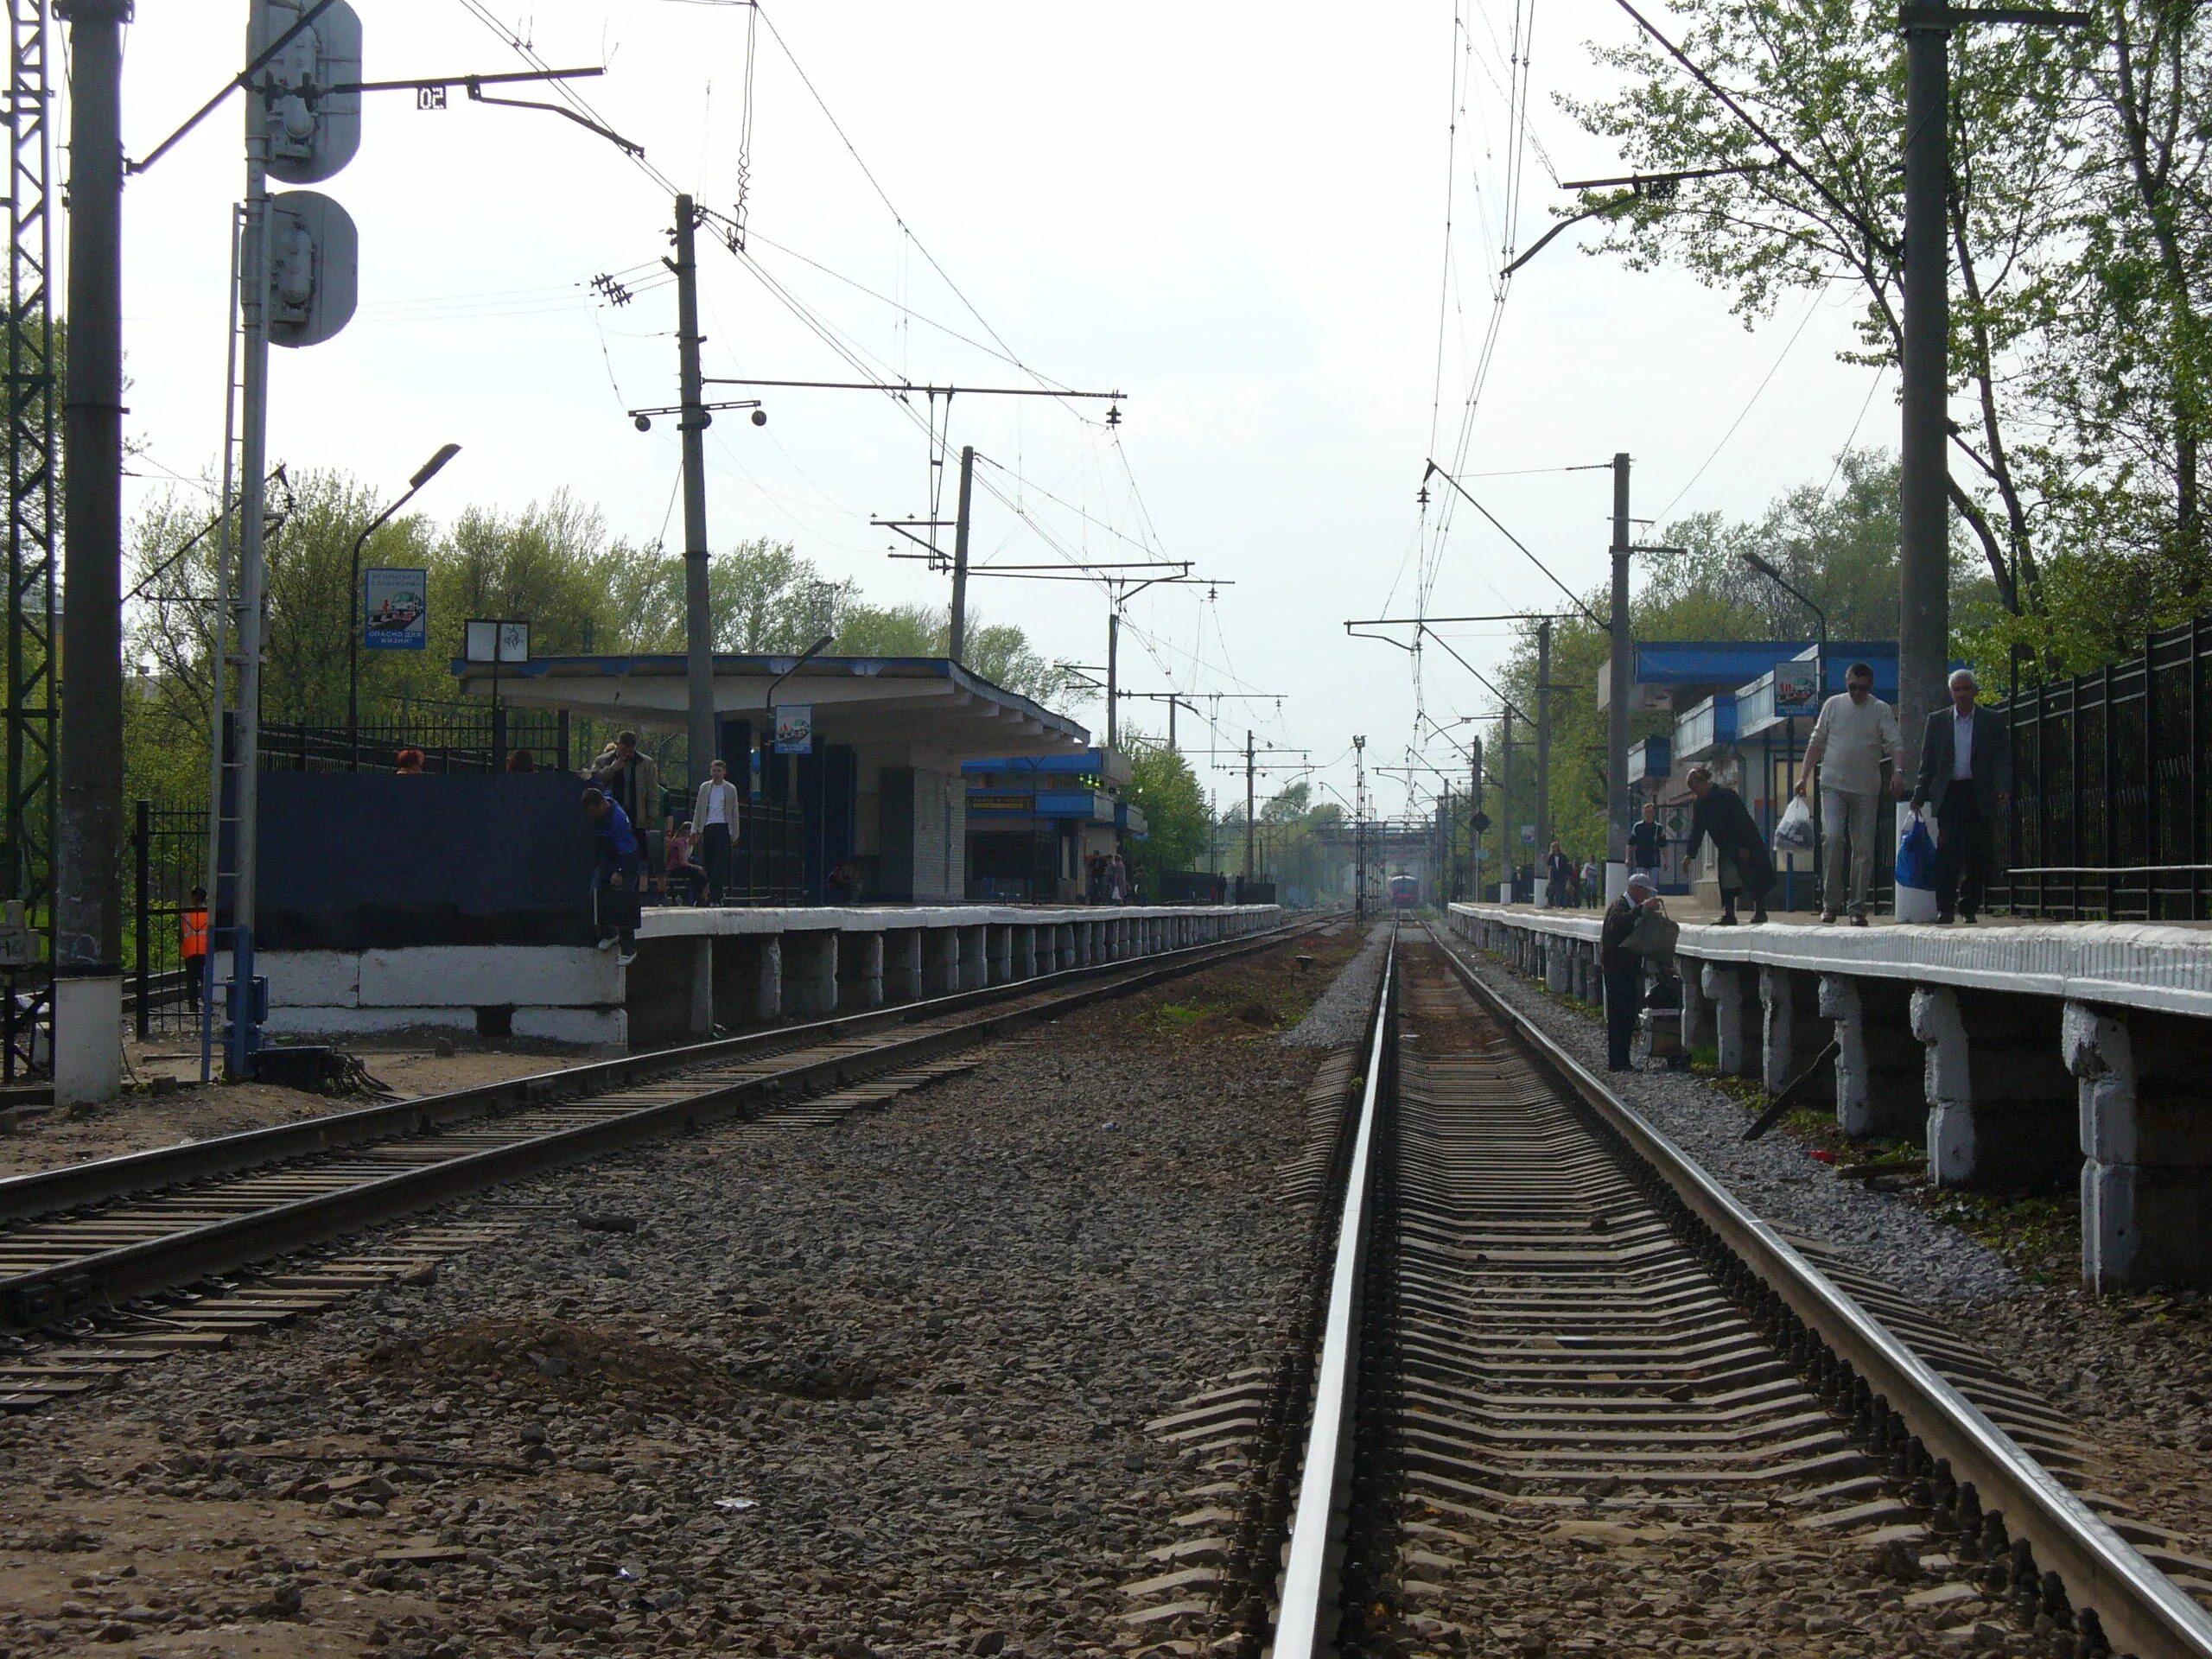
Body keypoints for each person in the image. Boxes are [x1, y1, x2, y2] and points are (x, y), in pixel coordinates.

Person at [1798, 660, 1903, 926]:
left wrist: (1899, 771)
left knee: (1864, 849)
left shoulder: (1880, 710)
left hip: (1866, 789)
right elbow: (1817, 741)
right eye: (1852, 687)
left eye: (1862, 688)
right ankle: (1831, 904)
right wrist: (1803, 777)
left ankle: (1857, 907)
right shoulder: (1833, 705)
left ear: (1871, 687)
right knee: (1832, 839)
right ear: (1846, 684)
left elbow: (1895, 743)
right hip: (1833, 785)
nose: (1857, 693)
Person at [1911, 667, 2009, 925]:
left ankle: (1969, 907)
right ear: (1951, 693)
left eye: (1966, 689)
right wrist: (1920, 793)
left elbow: (2001, 758)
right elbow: (1928, 761)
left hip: (1978, 792)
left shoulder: (1992, 720)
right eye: (1957, 689)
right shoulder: (1938, 721)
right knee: (1947, 851)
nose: (1962, 694)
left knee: (1977, 852)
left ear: (1975, 691)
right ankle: (1944, 908)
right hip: (1949, 793)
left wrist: (2002, 786)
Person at [1683, 764, 1774, 925]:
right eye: (1691, 788)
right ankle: (1729, 914)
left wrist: (1744, 846)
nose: (1694, 791)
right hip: (1726, 848)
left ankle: (1761, 911)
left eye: (1695, 787)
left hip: (1746, 843)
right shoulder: (1700, 805)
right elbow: (1697, 831)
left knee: (1753, 877)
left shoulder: (1727, 796)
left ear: (1704, 782)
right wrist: (1690, 855)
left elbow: (1743, 820)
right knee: (1727, 881)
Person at [1599, 870, 1658, 1071]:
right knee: (1619, 1017)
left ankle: (1622, 1060)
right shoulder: (1620, 906)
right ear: (1635, 889)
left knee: (1625, 1016)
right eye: (1644, 892)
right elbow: (1620, 925)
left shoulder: (1626, 906)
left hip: (1625, 970)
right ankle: (1617, 1062)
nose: (1646, 896)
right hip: (1617, 970)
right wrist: (1641, 909)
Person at [582, 786, 642, 962]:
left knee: (623, 902)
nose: (592, 816)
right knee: (596, 892)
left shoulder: (618, 822)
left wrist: (620, 872)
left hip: (625, 860)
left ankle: (629, 950)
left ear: (601, 806)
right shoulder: (605, 799)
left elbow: (629, 851)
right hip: (609, 856)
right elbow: (604, 788)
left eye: (593, 811)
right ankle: (609, 933)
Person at [665, 820, 709, 906]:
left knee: (703, 875)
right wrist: (696, 867)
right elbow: (682, 862)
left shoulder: (690, 846)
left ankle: (699, 898)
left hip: (683, 868)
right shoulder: (681, 842)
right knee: (701, 876)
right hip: (676, 869)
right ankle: (698, 899)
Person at [181, 885, 209, 1014]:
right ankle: (208, 1004)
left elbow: (180, 934)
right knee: (206, 979)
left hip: (190, 951)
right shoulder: (209, 913)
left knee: (191, 981)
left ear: (193, 898)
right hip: (205, 951)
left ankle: (193, 1007)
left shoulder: (186, 914)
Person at [1629, 801, 1667, 874]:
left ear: (1654, 813)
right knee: (1641, 882)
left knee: (1652, 884)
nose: (1648, 814)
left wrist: (1666, 860)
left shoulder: (1658, 827)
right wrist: (1628, 858)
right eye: (1646, 812)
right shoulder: (1638, 826)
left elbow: (1664, 845)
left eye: (1650, 811)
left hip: (1654, 860)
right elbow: (1630, 844)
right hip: (1641, 860)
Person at [1544, 840, 1573, 908]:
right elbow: (1549, 866)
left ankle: (1562, 904)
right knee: (1552, 889)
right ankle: (1550, 904)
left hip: (1562, 875)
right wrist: (1548, 876)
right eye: (1552, 847)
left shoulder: (1563, 856)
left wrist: (1568, 876)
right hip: (1554, 875)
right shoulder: (1551, 856)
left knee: (1562, 890)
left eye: (1555, 847)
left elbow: (1567, 866)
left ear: (1558, 848)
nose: (1554, 849)